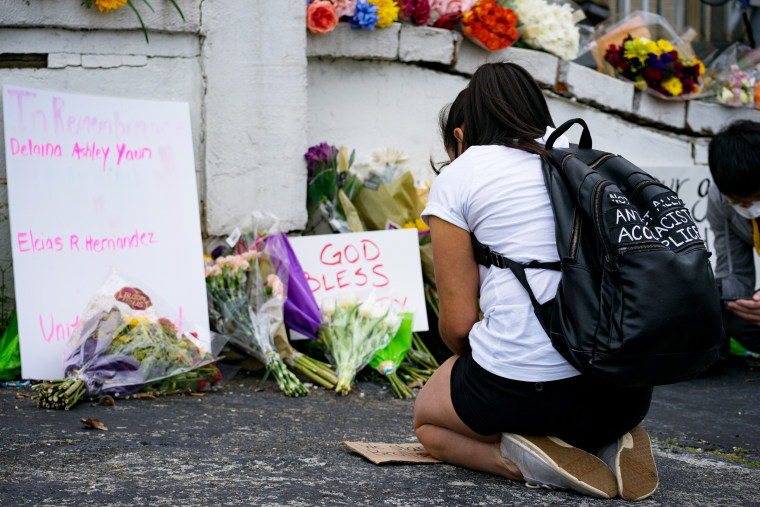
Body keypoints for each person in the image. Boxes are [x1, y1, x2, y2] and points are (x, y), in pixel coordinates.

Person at [413, 62, 658, 501]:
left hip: (525, 392)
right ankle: (609, 436)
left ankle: (521, 457)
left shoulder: (460, 174)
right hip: (626, 388)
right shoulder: (584, 162)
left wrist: (487, 364)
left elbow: (456, 325)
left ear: (459, 135)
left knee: (429, 423)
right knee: (580, 398)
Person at [706, 119, 760, 358]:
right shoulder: (720, 199)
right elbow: (733, 267)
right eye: (739, 201)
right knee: (724, 311)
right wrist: (734, 302)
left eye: (756, 197)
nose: (749, 207)